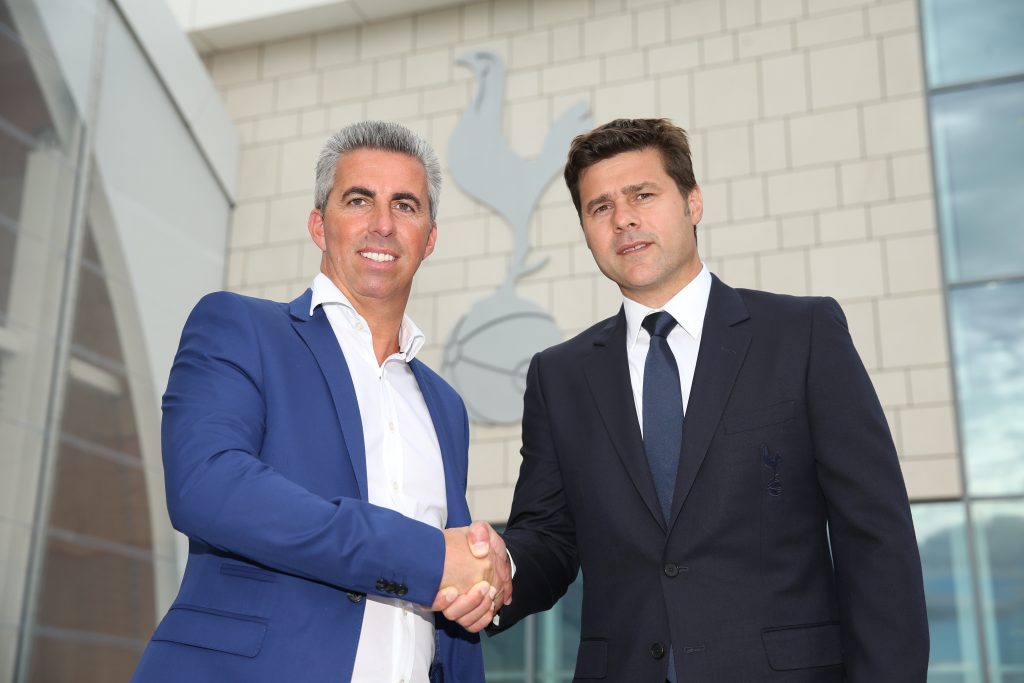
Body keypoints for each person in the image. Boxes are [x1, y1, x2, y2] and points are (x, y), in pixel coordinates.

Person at [445, 118, 929, 681]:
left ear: (693, 203)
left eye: (642, 195)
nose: (623, 217)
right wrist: (494, 569)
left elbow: (875, 539)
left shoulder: (803, 334)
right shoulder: (560, 375)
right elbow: (549, 539)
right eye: (599, 208)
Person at [132, 121, 510, 683]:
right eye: (359, 200)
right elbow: (206, 486)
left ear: (429, 238)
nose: (382, 224)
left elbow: (449, 600)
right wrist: (430, 561)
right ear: (319, 224)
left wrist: (477, 585)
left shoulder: (445, 405)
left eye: (405, 206)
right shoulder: (239, 327)